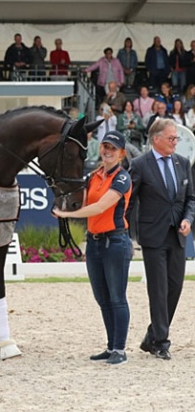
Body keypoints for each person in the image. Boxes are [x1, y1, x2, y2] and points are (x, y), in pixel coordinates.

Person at [54, 130, 132, 365]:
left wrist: (69, 214)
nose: (107, 151)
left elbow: (99, 207)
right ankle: (111, 346)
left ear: (121, 154)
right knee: (102, 298)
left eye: (112, 148)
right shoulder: (94, 175)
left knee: (117, 297)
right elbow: (82, 198)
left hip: (115, 242)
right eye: (105, 146)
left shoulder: (122, 178)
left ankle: (120, 348)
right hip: (95, 243)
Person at [128, 119, 195, 360]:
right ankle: (161, 342)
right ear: (156, 139)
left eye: (176, 138)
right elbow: (129, 200)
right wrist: (126, 231)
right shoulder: (140, 165)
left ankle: (151, 336)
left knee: (175, 288)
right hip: (153, 236)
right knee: (158, 289)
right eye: (171, 138)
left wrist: (188, 218)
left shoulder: (183, 163)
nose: (176, 142)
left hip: (178, 235)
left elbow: (191, 199)